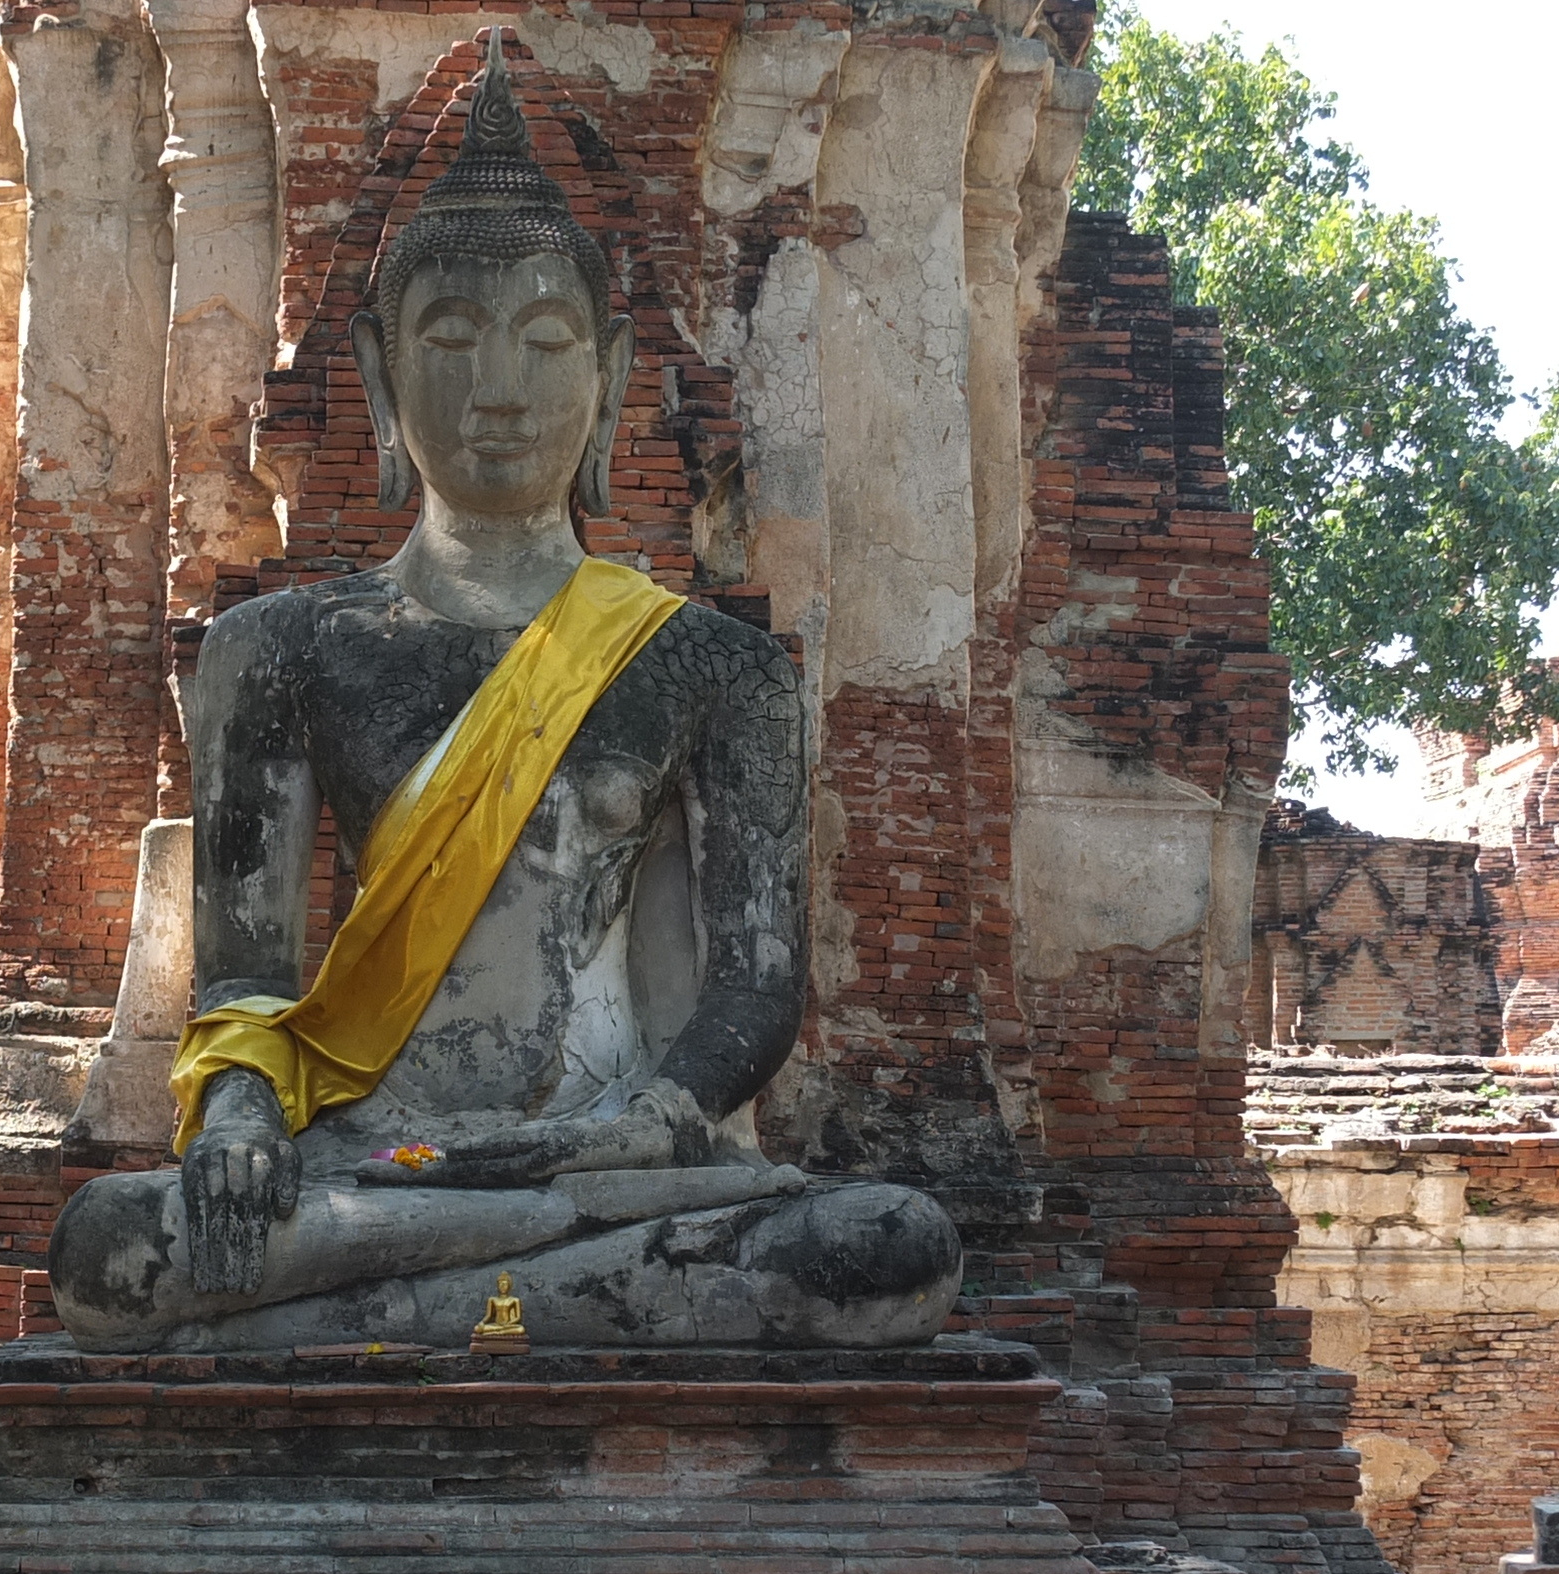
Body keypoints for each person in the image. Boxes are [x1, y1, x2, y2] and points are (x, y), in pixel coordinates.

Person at [47, 32, 960, 1354]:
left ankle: (420, 1310)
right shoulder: (279, 646)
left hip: (606, 1165)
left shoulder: (711, 665)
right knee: (108, 1250)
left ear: (611, 378)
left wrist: (641, 1127)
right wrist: (242, 1125)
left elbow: (755, 997)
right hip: (374, 1168)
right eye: (452, 338)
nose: (497, 390)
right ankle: (526, 1300)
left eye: (544, 341)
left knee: (887, 1246)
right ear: (375, 369)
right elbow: (243, 987)